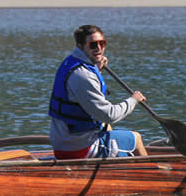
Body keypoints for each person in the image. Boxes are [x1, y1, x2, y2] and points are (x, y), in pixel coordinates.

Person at [49, 25, 148, 159]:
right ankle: (152, 173)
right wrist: (133, 100)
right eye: (93, 45)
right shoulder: (83, 75)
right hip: (78, 149)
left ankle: (113, 169)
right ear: (80, 45)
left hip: (65, 142)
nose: (99, 48)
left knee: (106, 127)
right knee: (135, 138)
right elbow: (109, 115)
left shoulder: (71, 62)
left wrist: (97, 69)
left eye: (102, 43)